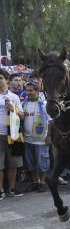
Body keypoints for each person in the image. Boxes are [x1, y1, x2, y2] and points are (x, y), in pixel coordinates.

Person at [22, 80, 51, 192]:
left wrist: (49, 136)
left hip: (41, 140)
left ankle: (43, 182)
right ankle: (35, 182)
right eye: (27, 90)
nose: (29, 93)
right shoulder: (23, 104)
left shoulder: (43, 104)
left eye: (31, 90)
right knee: (31, 162)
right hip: (27, 139)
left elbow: (51, 121)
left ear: (37, 91)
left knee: (42, 162)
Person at [0, 69, 24, 198]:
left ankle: (12, 188)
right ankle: (1, 190)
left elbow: (22, 115)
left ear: (6, 80)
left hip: (13, 134)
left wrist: (13, 108)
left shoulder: (14, 97)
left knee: (13, 163)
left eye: (0, 78)